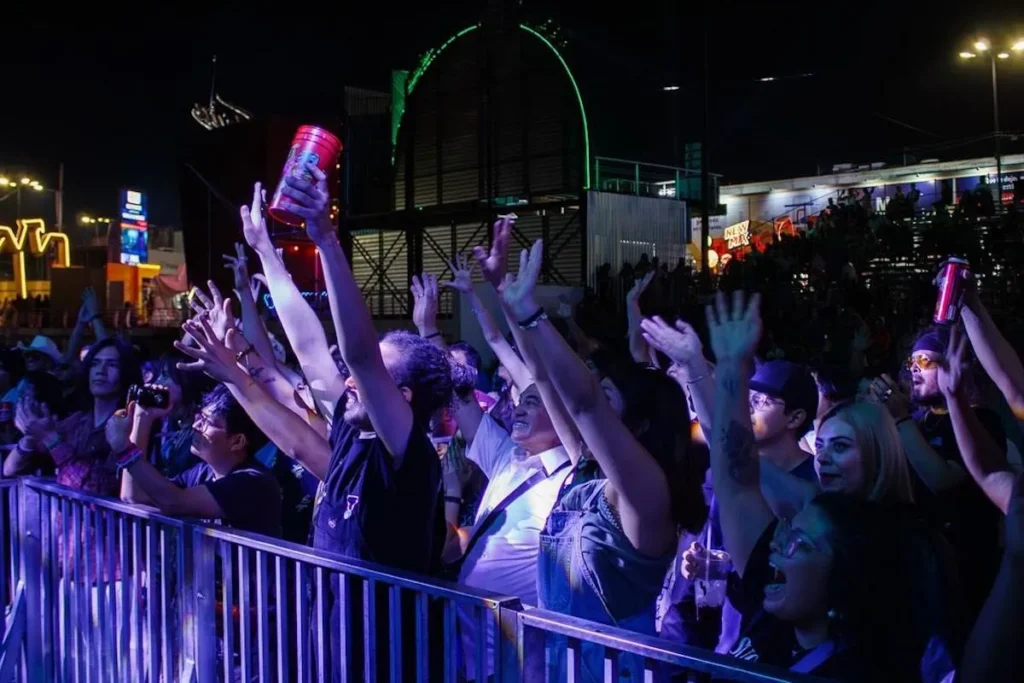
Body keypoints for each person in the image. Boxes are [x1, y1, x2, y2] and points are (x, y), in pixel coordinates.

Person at [500, 239, 700, 681]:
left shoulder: (646, 493)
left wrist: (534, 313)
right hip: (558, 658)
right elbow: (543, 378)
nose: (592, 402)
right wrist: (509, 303)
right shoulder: (587, 468)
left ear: (641, 424)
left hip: (610, 670)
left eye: (610, 395)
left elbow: (584, 403)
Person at [704, 290, 927, 680]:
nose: (822, 458)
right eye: (820, 446)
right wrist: (729, 366)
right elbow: (735, 480)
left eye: (841, 447)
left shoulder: (904, 552)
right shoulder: (809, 521)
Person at [114, 384, 282, 537]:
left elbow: (174, 502)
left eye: (207, 422)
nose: (195, 425)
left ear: (237, 441)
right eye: (199, 416)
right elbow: (133, 495)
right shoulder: (203, 472)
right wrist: (143, 418)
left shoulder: (253, 482)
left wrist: (125, 449)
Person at [5, 338, 141, 496]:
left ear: (127, 373)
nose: (100, 371)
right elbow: (10, 469)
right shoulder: (76, 421)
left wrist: (50, 438)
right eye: (95, 363)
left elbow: (97, 488)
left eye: (112, 365)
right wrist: (30, 437)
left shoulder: (129, 426)